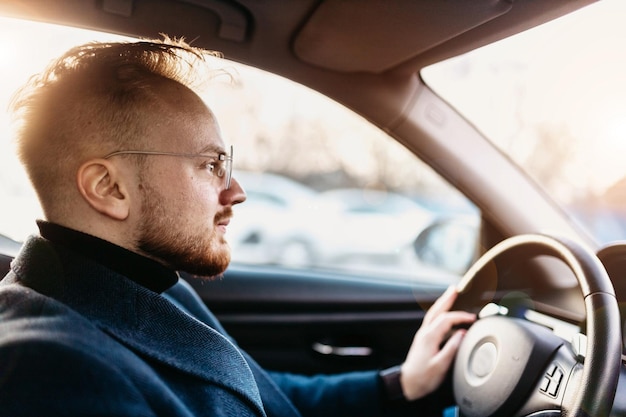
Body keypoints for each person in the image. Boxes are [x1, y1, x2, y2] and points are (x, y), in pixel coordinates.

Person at [0, 37, 475, 416]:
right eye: (210, 165)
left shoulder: (153, 284)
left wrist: (400, 385)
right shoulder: (46, 369)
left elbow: (254, 393)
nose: (237, 192)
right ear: (110, 188)